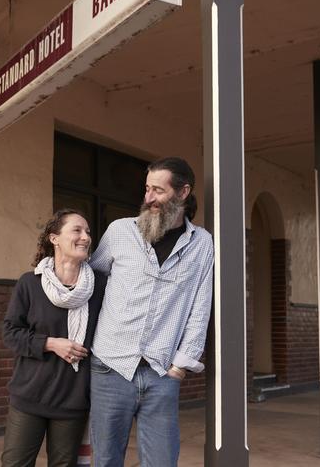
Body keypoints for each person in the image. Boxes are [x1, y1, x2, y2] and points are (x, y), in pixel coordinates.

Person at [89, 157, 214, 467]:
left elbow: (200, 306)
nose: (149, 198)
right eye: (147, 189)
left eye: (158, 190)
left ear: (183, 192)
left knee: (162, 462)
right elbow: (90, 282)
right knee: (105, 461)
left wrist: (181, 366)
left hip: (161, 373)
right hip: (110, 367)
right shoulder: (119, 231)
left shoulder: (201, 243)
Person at [1, 209, 107, 467]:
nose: (86, 237)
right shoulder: (30, 284)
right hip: (30, 396)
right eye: (77, 230)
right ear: (54, 238)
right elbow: (10, 333)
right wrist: (50, 343)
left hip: (72, 399)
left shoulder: (100, 287)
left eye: (88, 232)